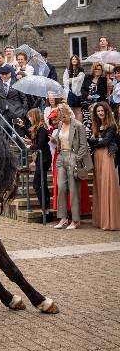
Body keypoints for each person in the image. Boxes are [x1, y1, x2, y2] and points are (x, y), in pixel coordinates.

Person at [54, 103, 93, 229]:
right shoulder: (60, 124)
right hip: (61, 157)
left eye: (62, 116)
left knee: (73, 189)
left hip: (73, 156)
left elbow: (83, 145)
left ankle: (76, 220)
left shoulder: (78, 125)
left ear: (67, 113)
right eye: (59, 117)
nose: (60, 119)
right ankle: (63, 218)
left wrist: (76, 159)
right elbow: (60, 140)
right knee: (61, 188)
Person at [89, 102, 120, 230]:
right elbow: (91, 142)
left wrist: (95, 141)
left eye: (102, 111)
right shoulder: (96, 126)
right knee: (100, 186)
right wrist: (97, 141)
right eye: (98, 111)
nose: (100, 113)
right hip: (97, 157)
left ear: (107, 111)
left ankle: (110, 221)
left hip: (107, 156)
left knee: (108, 186)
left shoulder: (112, 126)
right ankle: (101, 220)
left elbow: (106, 141)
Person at [24, 108, 52, 221]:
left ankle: (45, 211)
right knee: (42, 184)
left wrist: (30, 147)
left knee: (37, 184)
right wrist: (22, 128)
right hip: (42, 158)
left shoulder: (42, 129)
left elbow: (40, 144)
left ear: (34, 116)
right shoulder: (39, 129)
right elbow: (33, 138)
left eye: (30, 117)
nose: (29, 119)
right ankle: (46, 212)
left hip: (44, 159)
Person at [0, 65, 28, 130]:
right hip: (4, 112)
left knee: (19, 133)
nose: (4, 76)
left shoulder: (17, 82)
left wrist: (24, 111)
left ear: (10, 74)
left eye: (6, 74)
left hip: (17, 112)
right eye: (2, 74)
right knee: (3, 129)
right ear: (0, 75)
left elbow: (24, 98)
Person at [81, 63, 107, 138]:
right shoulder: (87, 77)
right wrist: (87, 95)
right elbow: (82, 89)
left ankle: (96, 135)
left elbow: (102, 92)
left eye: (99, 69)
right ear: (93, 69)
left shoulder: (104, 80)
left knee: (95, 119)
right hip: (86, 102)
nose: (97, 70)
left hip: (98, 103)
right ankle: (88, 139)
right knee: (87, 123)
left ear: (102, 71)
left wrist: (93, 98)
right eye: (96, 69)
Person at [63, 55, 85, 121]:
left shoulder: (80, 69)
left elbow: (81, 78)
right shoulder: (68, 69)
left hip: (77, 93)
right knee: (71, 110)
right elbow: (65, 80)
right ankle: (73, 125)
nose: (74, 60)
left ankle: (79, 126)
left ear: (78, 61)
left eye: (75, 59)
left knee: (78, 110)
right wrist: (74, 80)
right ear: (71, 61)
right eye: (73, 59)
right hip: (69, 93)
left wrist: (71, 80)